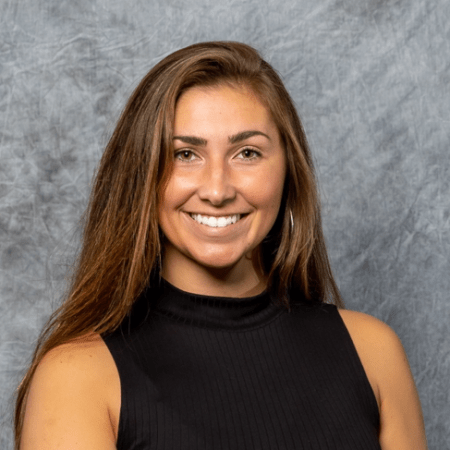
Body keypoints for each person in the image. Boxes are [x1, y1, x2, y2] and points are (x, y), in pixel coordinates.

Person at [15, 41, 427, 449]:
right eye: (185, 154)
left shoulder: (373, 353)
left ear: (289, 169)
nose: (217, 190)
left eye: (247, 153)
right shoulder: (76, 377)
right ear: (142, 173)